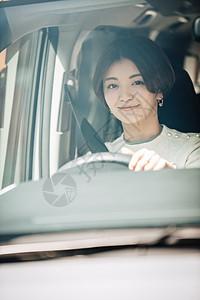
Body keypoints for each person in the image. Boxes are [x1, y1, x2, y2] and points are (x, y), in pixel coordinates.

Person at [93, 36, 200, 171]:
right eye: (113, 85)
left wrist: (169, 174)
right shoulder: (98, 157)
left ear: (159, 90)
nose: (125, 96)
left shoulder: (192, 149)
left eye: (137, 82)